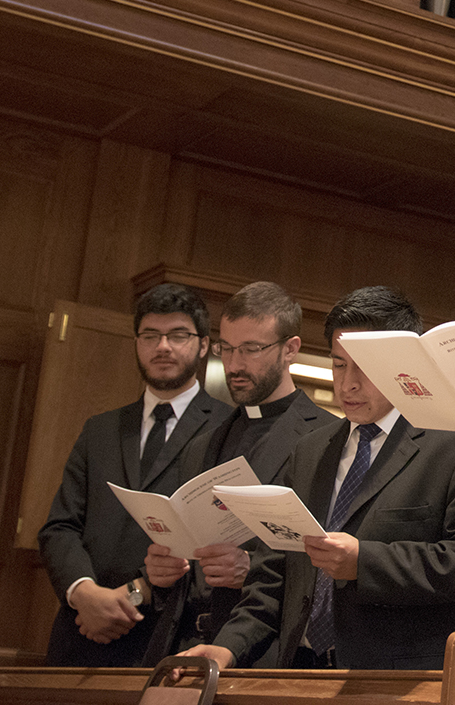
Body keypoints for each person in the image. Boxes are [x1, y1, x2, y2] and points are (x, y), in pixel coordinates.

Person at [176, 287, 455, 669]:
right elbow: (275, 574)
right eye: (339, 364)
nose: (348, 384)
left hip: (393, 678)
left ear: (405, 365)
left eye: (365, 366)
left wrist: (365, 562)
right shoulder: (311, 450)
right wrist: (227, 647)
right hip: (300, 666)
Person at [142, 281, 337, 662]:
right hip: (180, 642)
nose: (234, 364)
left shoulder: (325, 438)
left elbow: (324, 564)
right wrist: (163, 573)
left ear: (290, 350)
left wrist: (251, 569)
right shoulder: (203, 443)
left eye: (251, 349)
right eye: (226, 348)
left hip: (261, 651)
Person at [38, 283, 230, 666]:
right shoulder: (100, 430)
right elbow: (60, 527)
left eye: (178, 335)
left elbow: (215, 534)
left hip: (169, 635)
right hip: (81, 631)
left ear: (204, 345)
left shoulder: (227, 428)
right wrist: (84, 593)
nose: (163, 347)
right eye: (150, 336)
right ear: (137, 343)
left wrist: (132, 594)